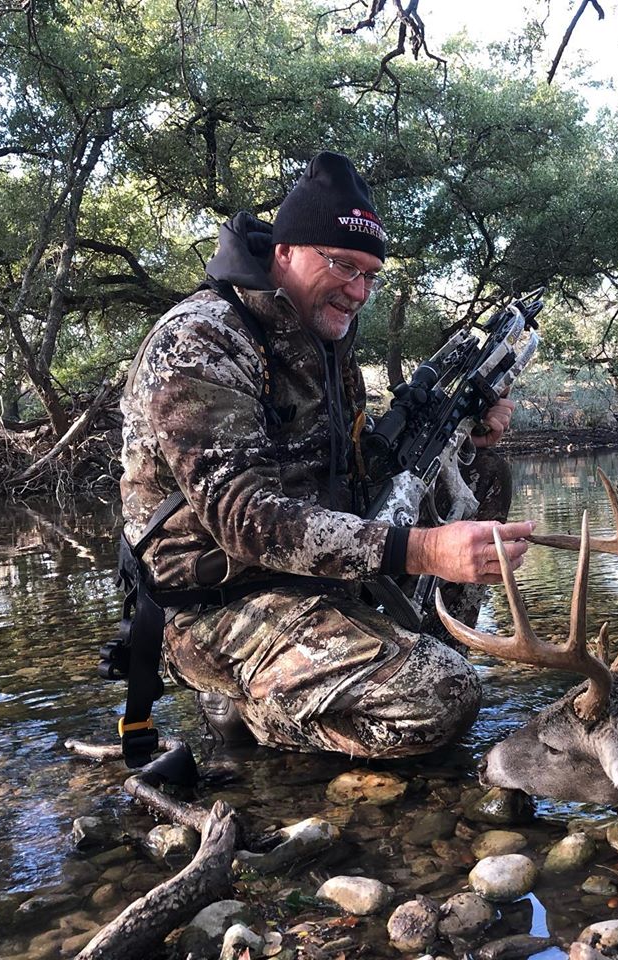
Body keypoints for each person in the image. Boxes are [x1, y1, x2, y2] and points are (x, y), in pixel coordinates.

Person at [119, 151, 535, 757]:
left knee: (482, 477)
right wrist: (421, 550)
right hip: (213, 600)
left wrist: (466, 442)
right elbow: (245, 518)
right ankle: (252, 708)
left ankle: (405, 652)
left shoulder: (326, 340)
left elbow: (353, 466)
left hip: (309, 576)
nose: (359, 291)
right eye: (343, 265)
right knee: (442, 698)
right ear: (286, 252)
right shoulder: (202, 339)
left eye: (371, 274)